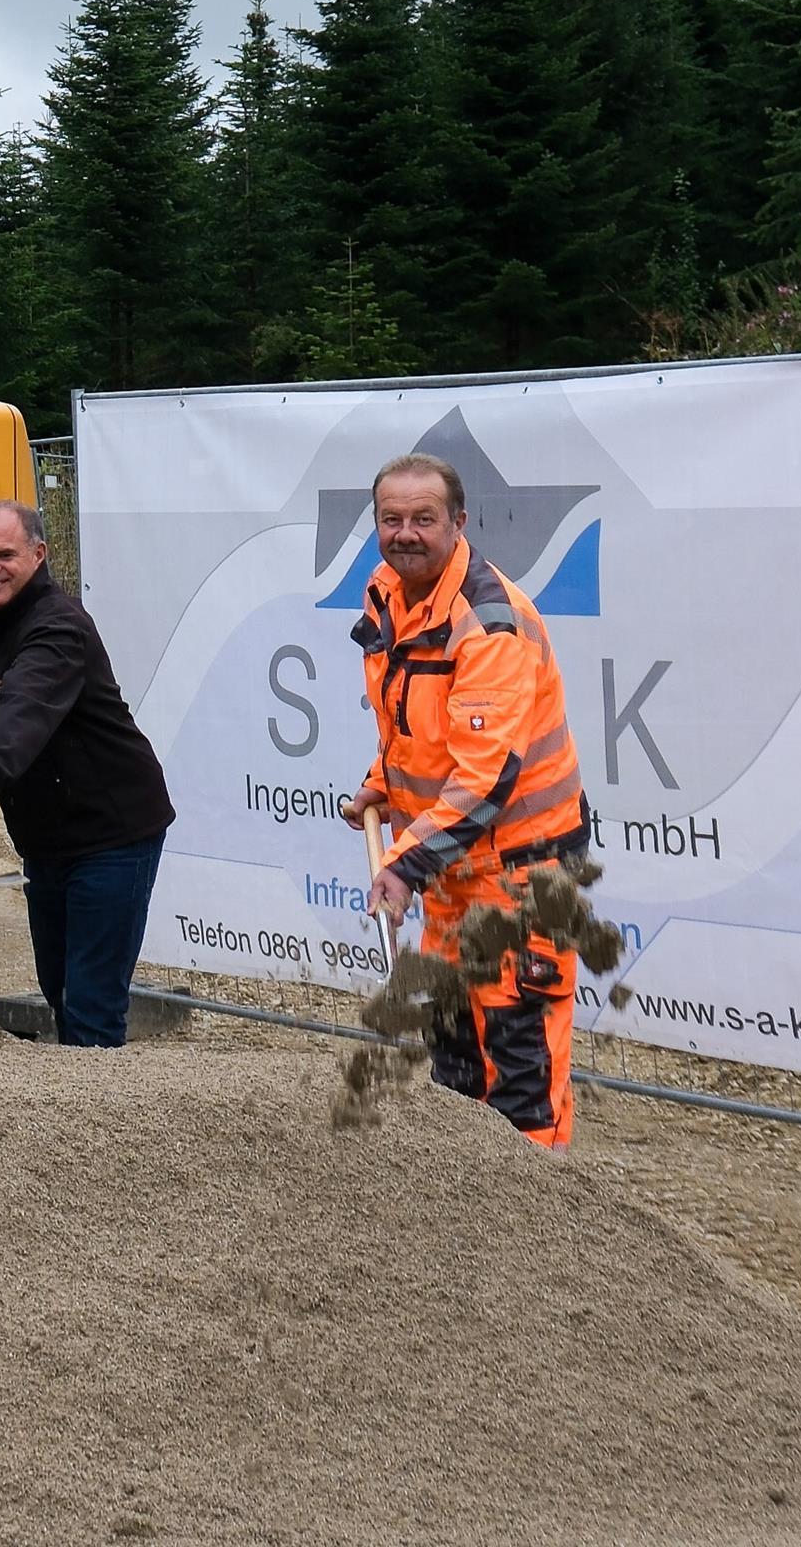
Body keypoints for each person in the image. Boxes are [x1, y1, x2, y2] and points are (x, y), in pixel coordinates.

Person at [338, 451, 590, 1146]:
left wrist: (402, 863)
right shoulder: (389, 593)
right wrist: (384, 784)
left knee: (519, 1068)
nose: (406, 532)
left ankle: (538, 1227)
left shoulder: (488, 622)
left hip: (521, 872)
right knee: (456, 1056)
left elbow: (485, 776)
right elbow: (420, 730)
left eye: (424, 518)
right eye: (392, 519)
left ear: (459, 523)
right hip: (454, 867)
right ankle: (467, 1228)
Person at [0, 501, 174, 1049]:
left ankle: (104, 1122)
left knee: (91, 1004)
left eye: (4, 555)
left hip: (113, 833)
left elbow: (23, 711)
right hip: (46, 838)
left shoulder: (60, 626)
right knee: (58, 990)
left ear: (38, 555)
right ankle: (74, 1112)